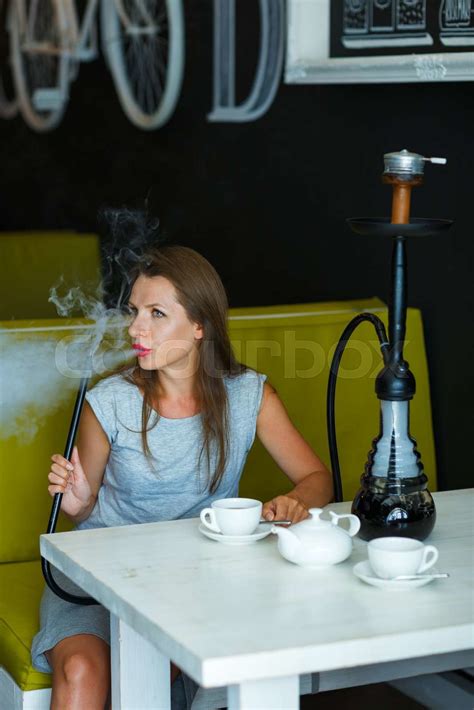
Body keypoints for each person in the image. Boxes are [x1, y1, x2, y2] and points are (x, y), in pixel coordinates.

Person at [31, 244, 333, 710]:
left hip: (188, 583)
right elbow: (83, 505)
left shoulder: (250, 396)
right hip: (96, 580)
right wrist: (77, 502)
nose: (135, 328)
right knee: (82, 670)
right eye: (134, 312)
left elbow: (316, 477)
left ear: (199, 326)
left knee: (155, 665)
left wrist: (297, 499)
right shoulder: (108, 401)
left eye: (156, 313)